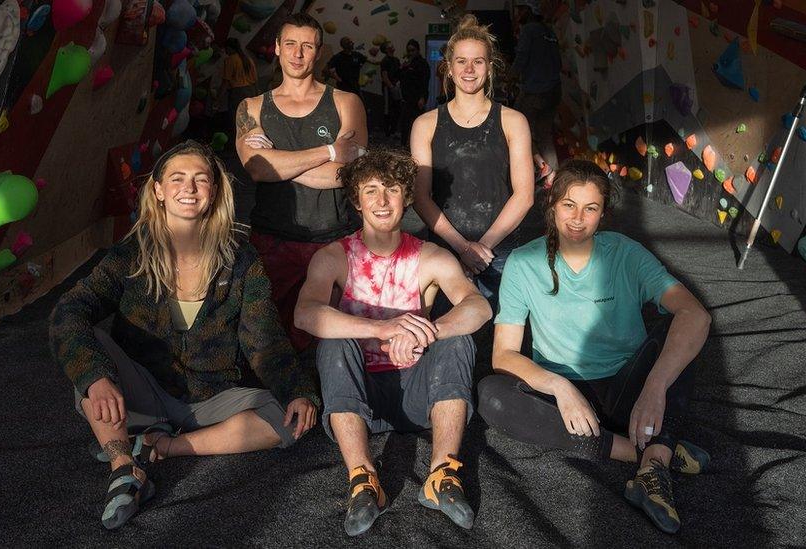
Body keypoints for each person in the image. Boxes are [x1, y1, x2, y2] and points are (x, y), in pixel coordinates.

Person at [49, 140, 319, 530]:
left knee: (285, 418)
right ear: (158, 190)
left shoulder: (240, 261)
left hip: (209, 399)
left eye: (200, 179)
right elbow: (68, 312)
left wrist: (297, 390)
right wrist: (96, 378)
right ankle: (124, 466)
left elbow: (264, 340)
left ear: (213, 192)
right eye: (177, 178)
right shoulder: (131, 256)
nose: (189, 187)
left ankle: (164, 446)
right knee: (88, 358)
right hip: (140, 390)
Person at [477, 160, 712, 535]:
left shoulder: (626, 253)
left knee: (681, 329)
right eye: (569, 205)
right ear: (551, 204)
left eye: (590, 208)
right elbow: (503, 355)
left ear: (603, 214)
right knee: (492, 395)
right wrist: (559, 386)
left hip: (627, 389)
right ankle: (651, 455)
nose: (577, 218)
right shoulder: (523, 264)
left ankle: (650, 454)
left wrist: (654, 389)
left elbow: (695, 314)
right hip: (565, 402)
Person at [295, 149, 492, 536]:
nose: (382, 201)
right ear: (357, 201)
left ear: (406, 197)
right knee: (333, 344)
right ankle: (363, 480)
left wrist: (422, 331)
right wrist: (383, 329)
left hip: (419, 394)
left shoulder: (430, 256)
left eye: (392, 190)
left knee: (458, 340)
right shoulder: (332, 257)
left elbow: (478, 307)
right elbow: (306, 314)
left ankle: (442, 476)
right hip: (358, 399)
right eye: (371, 191)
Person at [235, 13, 368, 351]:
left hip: (336, 240)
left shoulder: (346, 103)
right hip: (271, 241)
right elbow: (257, 170)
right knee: (268, 342)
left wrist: (278, 162)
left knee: (339, 343)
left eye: (307, 46)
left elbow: (348, 175)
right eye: (290, 44)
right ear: (277, 48)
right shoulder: (250, 107)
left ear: (318, 51)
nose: (297, 54)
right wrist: (329, 150)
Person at [410, 15, 535, 312]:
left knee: (502, 339)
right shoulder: (425, 124)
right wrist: (462, 247)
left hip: (499, 248)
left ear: (489, 68)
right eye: (462, 62)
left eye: (478, 62)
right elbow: (420, 196)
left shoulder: (513, 121)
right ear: (449, 69)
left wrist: (484, 247)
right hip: (444, 247)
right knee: (441, 335)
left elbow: (525, 195)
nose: (469, 69)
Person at [512, 0, 562, 185]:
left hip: (534, 91)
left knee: (517, 128)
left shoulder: (529, 30)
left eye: (520, 10)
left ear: (528, 10)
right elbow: (558, 62)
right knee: (544, 133)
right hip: (554, 90)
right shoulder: (549, 31)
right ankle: (553, 177)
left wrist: (510, 76)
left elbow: (521, 58)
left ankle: (542, 165)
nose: (517, 15)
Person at [398, 38, 430, 146]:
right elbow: (402, 79)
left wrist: (422, 97)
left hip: (417, 98)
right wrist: (403, 68)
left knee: (418, 122)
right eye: (409, 50)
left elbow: (424, 81)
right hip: (407, 98)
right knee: (405, 123)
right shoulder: (407, 63)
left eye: (413, 50)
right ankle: (404, 145)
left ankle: (420, 144)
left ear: (418, 50)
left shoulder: (422, 63)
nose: (411, 53)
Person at [223, 38, 258, 134]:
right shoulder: (248, 59)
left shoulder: (230, 60)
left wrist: (218, 98)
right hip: (250, 91)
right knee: (248, 119)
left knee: (236, 121)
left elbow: (226, 81)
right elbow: (255, 80)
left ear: (229, 48)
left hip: (237, 93)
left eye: (226, 48)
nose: (225, 51)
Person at [380, 42, 401, 137]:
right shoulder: (385, 61)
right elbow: (384, 76)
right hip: (388, 88)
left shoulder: (396, 60)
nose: (392, 46)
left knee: (397, 108)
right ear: (386, 49)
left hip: (396, 87)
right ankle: (387, 132)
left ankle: (394, 130)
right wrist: (391, 87)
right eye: (390, 46)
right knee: (388, 109)